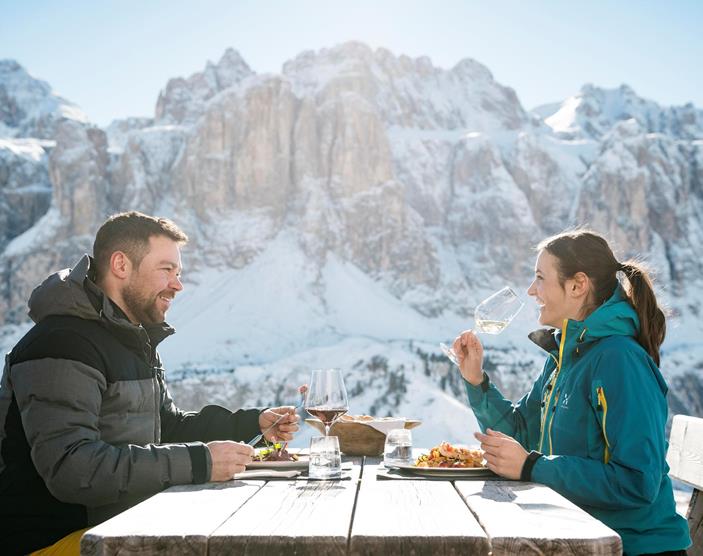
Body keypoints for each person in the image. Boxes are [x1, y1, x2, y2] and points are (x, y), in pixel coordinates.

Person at [0, 211, 301, 555]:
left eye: (179, 272)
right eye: (166, 270)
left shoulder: (131, 339)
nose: (178, 284)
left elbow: (166, 427)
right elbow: (73, 469)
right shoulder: (62, 343)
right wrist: (201, 462)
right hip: (55, 541)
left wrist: (251, 423)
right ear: (121, 265)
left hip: (118, 525)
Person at [453, 230, 691, 556]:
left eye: (540, 278)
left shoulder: (619, 360)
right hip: (578, 538)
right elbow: (521, 434)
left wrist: (533, 467)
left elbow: (638, 482)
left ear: (578, 286)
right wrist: (476, 380)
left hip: (631, 547)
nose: (530, 290)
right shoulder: (564, 359)